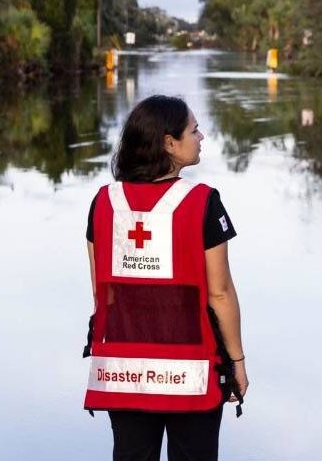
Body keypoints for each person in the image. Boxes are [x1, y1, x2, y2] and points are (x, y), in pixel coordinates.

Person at [83, 95, 248, 461]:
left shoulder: (104, 202)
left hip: (124, 369)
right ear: (169, 143)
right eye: (193, 129)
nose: (201, 136)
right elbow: (219, 294)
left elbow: (104, 295)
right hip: (192, 372)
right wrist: (236, 362)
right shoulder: (204, 202)